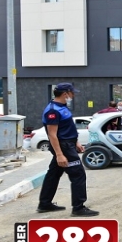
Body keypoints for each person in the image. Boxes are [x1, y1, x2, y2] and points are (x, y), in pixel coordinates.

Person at [37, 83, 99, 217]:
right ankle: (78, 208)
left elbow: (67, 128)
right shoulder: (53, 110)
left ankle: (44, 203)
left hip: (68, 144)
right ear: (65, 93)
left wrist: (76, 141)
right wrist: (59, 154)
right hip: (64, 146)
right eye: (72, 93)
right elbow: (52, 134)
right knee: (78, 175)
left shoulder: (62, 107)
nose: (73, 95)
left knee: (53, 174)